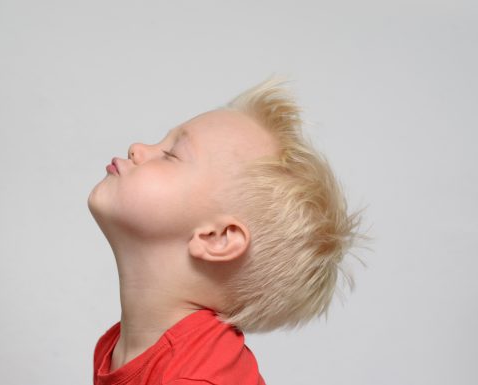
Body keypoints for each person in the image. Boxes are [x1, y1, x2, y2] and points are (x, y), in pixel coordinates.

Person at [87, 77, 366, 385]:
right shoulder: (116, 347)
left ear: (216, 238)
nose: (137, 148)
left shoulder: (199, 378)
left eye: (171, 155)